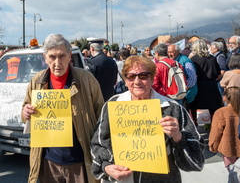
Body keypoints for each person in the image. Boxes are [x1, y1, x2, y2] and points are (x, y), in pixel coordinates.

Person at [91, 55, 205, 182]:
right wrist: (106, 167)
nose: (137, 81)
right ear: (125, 80)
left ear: (152, 78)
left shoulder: (172, 108)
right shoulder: (113, 105)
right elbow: (98, 143)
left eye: (143, 76)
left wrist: (178, 137)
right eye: (131, 76)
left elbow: (196, 159)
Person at [22, 34, 104, 183]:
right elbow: (25, 110)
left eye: (62, 56)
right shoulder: (37, 81)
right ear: (45, 58)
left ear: (69, 56)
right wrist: (25, 112)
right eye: (52, 57)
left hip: (80, 161)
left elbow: (102, 115)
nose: (57, 62)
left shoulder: (87, 79)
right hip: (48, 161)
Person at [209, 87, 240, 171]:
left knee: (233, 173)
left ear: (225, 97)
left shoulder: (221, 112)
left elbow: (216, 133)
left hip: (228, 148)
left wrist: (213, 147)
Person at [189, 39, 222, 126]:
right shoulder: (213, 58)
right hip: (212, 85)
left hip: (199, 86)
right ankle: (215, 127)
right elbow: (218, 73)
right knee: (214, 109)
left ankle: (195, 126)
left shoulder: (194, 59)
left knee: (194, 107)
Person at [86, 37, 118, 102]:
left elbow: (88, 83)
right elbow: (114, 81)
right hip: (110, 98)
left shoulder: (92, 62)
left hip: (96, 99)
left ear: (92, 48)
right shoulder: (112, 61)